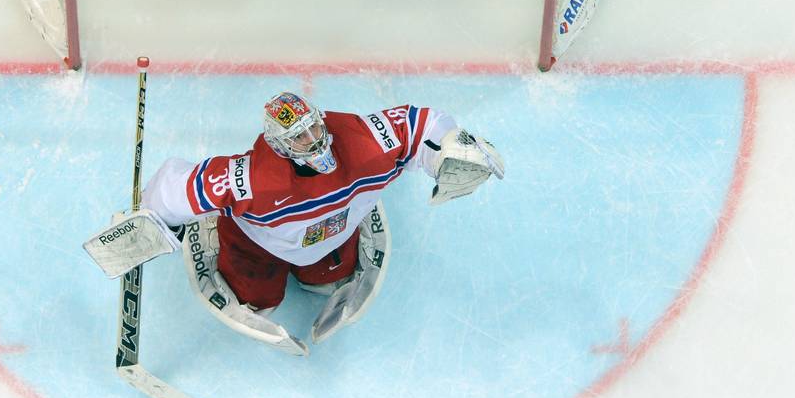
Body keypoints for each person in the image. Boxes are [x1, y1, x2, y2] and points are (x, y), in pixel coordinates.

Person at [106, 91, 504, 355]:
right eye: (299, 136)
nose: (314, 138)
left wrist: (449, 149)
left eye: (314, 125)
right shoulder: (251, 180)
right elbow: (177, 188)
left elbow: (422, 124)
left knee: (329, 280)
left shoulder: (366, 139)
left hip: (337, 232)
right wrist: (150, 221)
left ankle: (317, 268)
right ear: (279, 144)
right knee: (257, 300)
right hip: (259, 246)